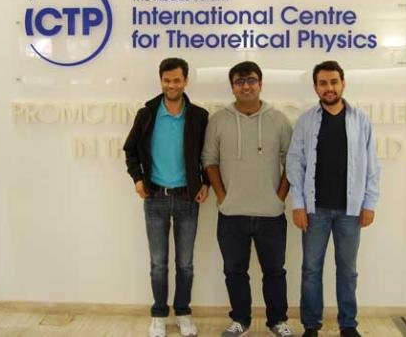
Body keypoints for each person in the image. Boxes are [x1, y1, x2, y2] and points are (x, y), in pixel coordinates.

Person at [286, 61, 381, 337]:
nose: (329, 88)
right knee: (311, 270)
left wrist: (370, 204)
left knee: (348, 271)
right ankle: (311, 325)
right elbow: (295, 163)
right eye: (323, 83)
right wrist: (298, 204)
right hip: (315, 210)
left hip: (350, 211)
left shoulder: (360, 119)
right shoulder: (306, 121)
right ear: (316, 87)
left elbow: (373, 165)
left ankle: (348, 325)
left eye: (334, 82)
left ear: (343, 83)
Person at [202, 61, 295, 337]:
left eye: (251, 80)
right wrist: (222, 196)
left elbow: (292, 161)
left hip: (271, 214)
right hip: (232, 214)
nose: (246, 86)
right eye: (240, 81)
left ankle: (277, 321)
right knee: (234, 272)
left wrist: (279, 197)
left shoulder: (278, 120)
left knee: (275, 272)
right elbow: (210, 160)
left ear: (260, 83)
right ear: (232, 86)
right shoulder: (218, 120)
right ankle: (240, 320)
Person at [123, 57, 209, 337]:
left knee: (185, 263)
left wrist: (206, 182)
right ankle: (159, 314)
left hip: (187, 198)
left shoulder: (198, 116)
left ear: (186, 81)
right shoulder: (147, 113)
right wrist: (137, 178)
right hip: (155, 197)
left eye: (177, 80)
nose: (172, 85)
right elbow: (130, 149)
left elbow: (209, 156)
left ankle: (183, 311)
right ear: (161, 80)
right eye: (167, 80)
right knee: (158, 263)